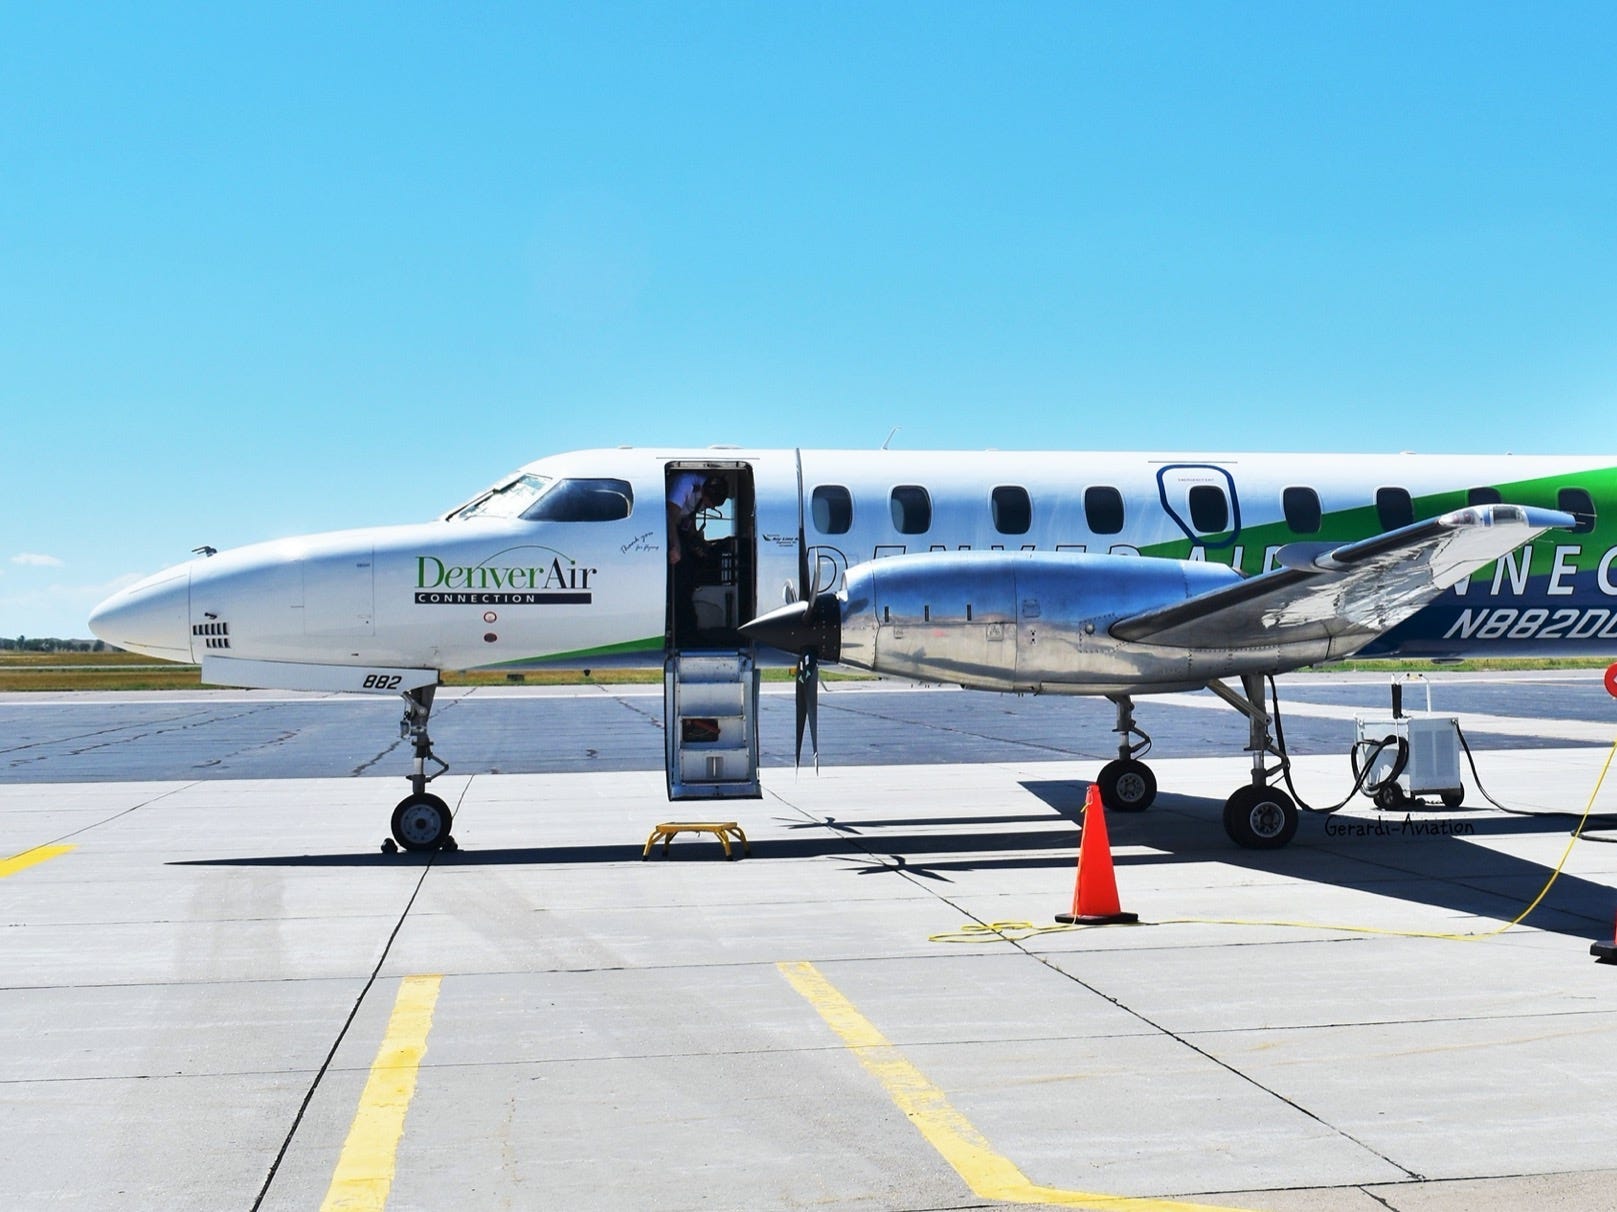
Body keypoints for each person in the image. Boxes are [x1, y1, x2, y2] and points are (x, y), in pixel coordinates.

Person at [667, 473, 730, 643]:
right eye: (709, 503)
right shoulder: (685, 484)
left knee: (690, 576)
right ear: (704, 492)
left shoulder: (706, 495)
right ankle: (681, 632)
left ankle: (688, 629)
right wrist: (676, 546)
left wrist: (700, 545)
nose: (708, 507)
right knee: (680, 582)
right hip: (669, 529)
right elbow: (670, 517)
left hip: (680, 528)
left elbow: (688, 520)